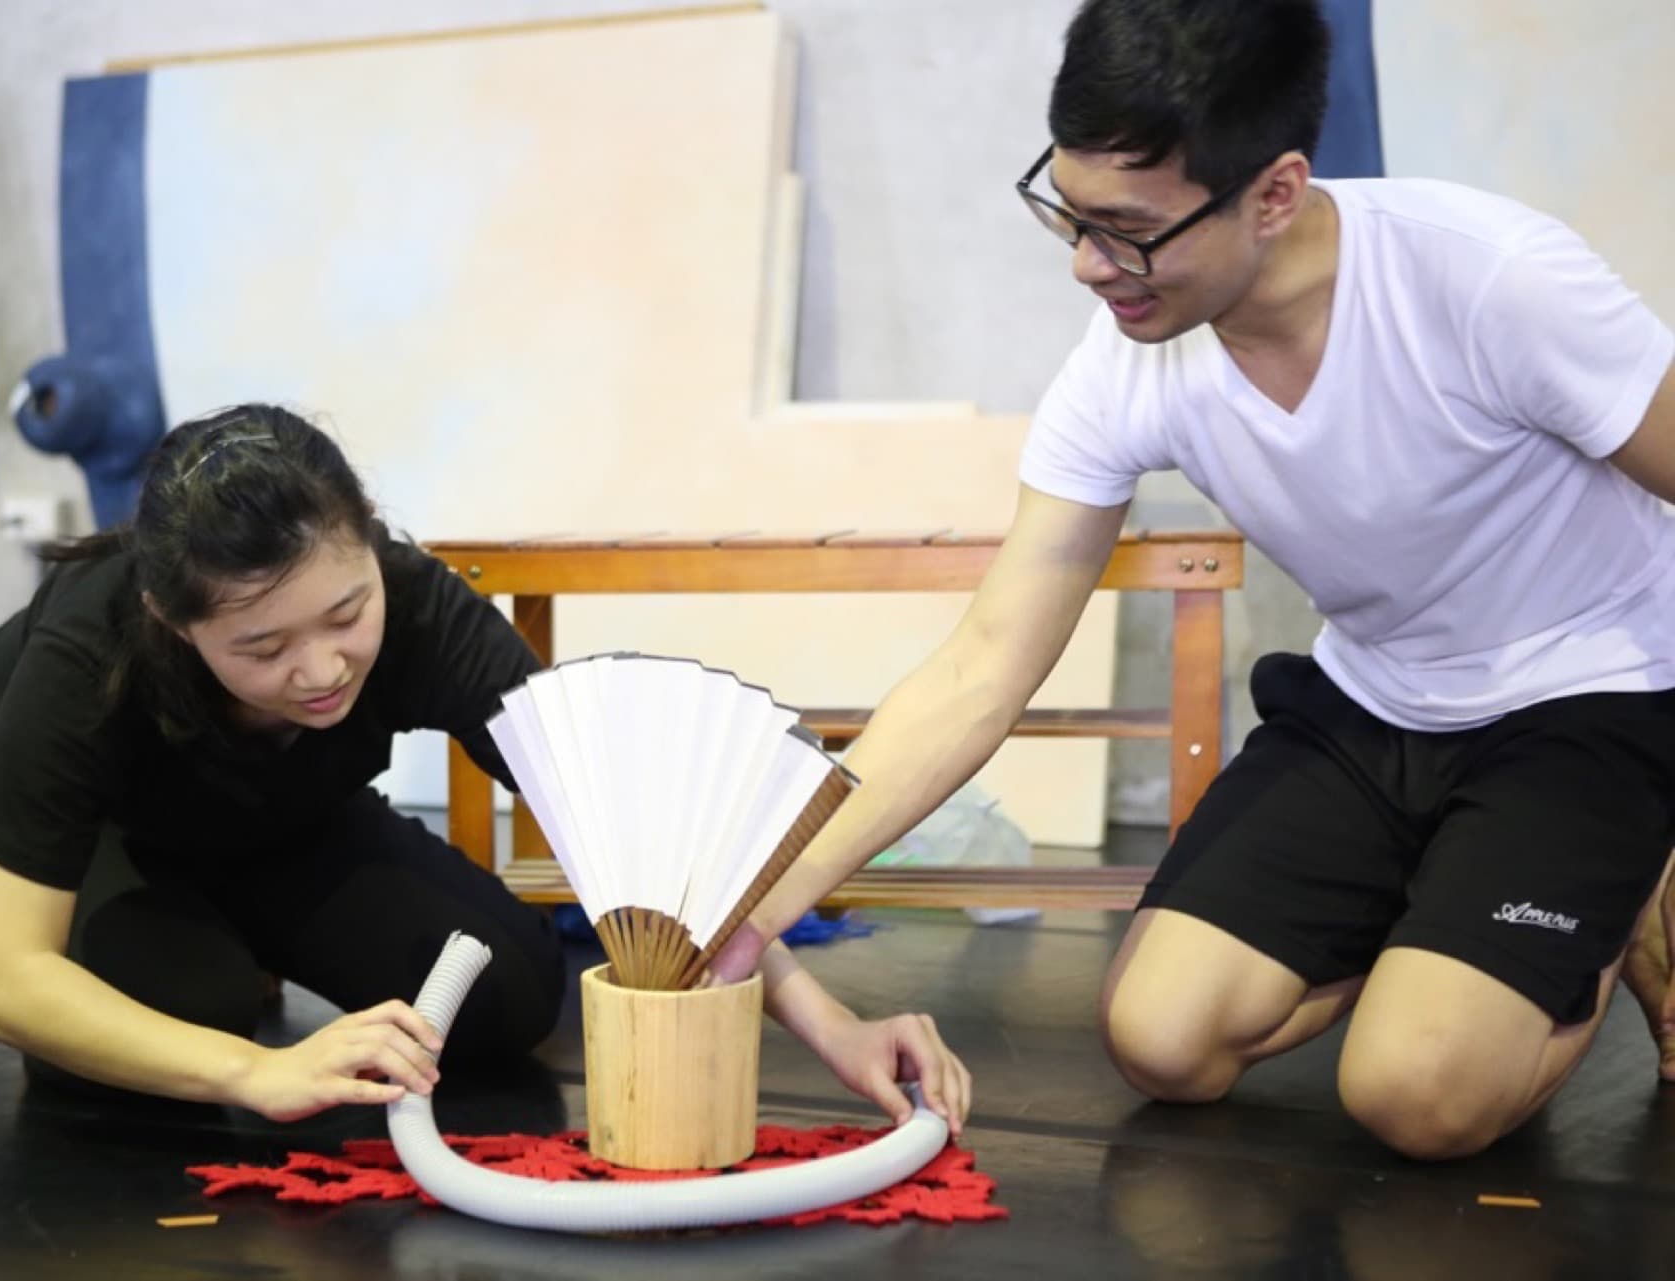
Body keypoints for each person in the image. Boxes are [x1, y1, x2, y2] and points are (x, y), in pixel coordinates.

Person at [710, 0, 1675, 1160]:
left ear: (1274, 194)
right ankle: (1462, 913)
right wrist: (763, 902)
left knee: (1416, 1095)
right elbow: (983, 666)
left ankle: (1622, 896)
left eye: (1128, 232)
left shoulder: (1489, 281)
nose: (1088, 265)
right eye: (1069, 214)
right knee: (1161, 1041)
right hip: (1376, 697)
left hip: (1588, 698)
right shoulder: (1128, 361)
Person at [0, 403, 972, 1130]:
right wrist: (257, 1071)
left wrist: (832, 1025)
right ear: (172, 620)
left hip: (276, 814)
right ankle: (206, 958)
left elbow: (640, 835)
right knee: (190, 1015)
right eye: (262, 648)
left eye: (346, 612)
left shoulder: (421, 608)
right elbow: (7, 981)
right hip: (94, 830)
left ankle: (230, 926)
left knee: (510, 993)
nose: (321, 670)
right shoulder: (91, 651)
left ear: (370, 545)